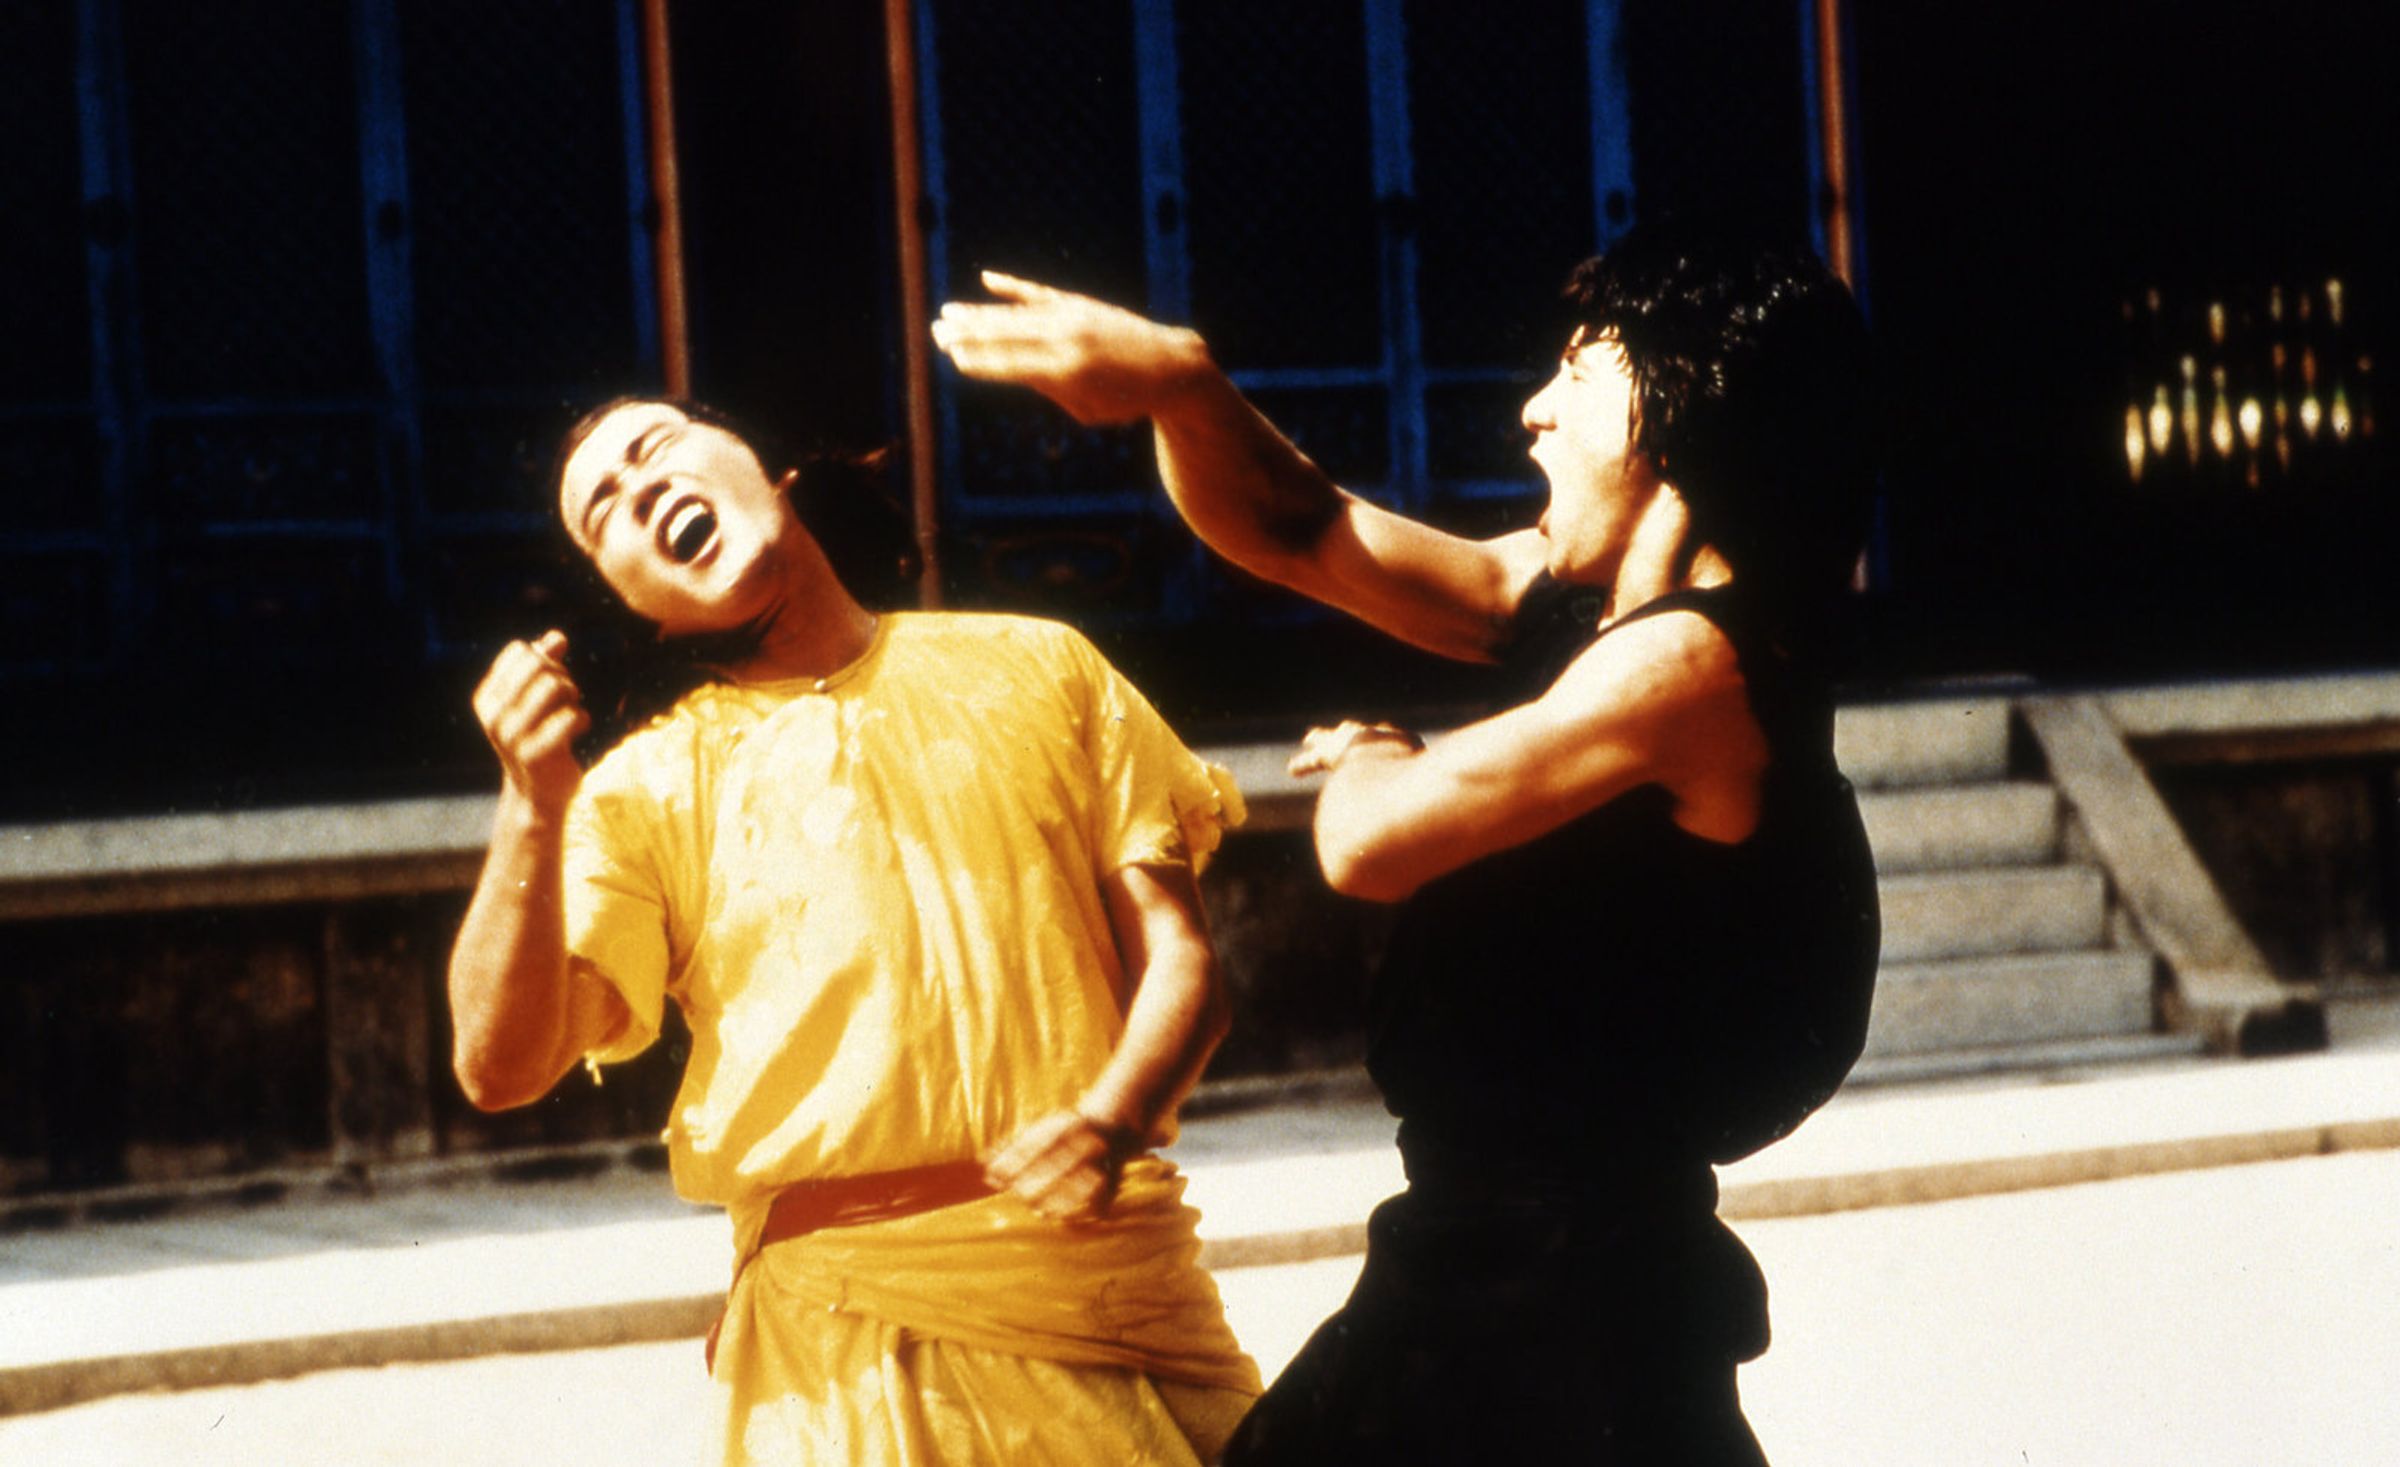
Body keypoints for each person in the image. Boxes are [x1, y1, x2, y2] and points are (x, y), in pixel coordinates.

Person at [933, 220, 1882, 1462]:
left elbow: (1371, 844)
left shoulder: (1691, 662)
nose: (1535, 413)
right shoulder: (1589, 609)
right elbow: (1302, 530)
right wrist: (1183, 388)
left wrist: (1374, 753)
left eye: (1577, 374)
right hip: (1511, 1272)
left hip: (1550, 1295)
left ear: (1681, 408)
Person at [447, 396, 1262, 1465]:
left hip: (1110, 1295)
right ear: (632, 603)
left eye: (655, 450)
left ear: (772, 467)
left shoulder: (1041, 664)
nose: (638, 491)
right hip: (837, 1357)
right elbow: (499, 1068)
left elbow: (1182, 961)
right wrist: (530, 807)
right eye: (602, 513)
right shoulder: (640, 794)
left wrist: (1113, 1118)